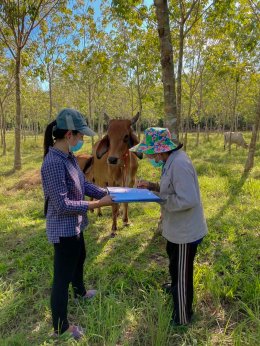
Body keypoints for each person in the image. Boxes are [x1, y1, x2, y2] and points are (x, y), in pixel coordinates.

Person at [41, 108, 114, 340]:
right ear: (69, 135)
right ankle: (61, 328)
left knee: (80, 256)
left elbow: (84, 186)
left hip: (76, 225)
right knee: (61, 278)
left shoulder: (70, 158)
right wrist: (97, 204)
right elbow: (62, 205)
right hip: (63, 229)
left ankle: (80, 291)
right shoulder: (53, 163)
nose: (83, 139)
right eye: (81, 135)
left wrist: (108, 192)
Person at [130, 127, 208, 326]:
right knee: (175, 264)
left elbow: (188, 199)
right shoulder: (170, 161)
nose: (148, 156)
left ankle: (182, 317)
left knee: (182, 275)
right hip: (175, 228)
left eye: (149, 152)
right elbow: (170, 187)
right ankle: (174, 288)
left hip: (185, 232)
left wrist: (159, 199)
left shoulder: (180, 164)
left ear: (159, 150)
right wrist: (152, 186)